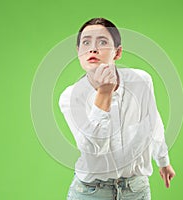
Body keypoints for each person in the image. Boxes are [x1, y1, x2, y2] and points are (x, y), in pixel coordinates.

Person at [59, 17, 176, 200]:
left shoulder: (141, 81)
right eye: (86, 42)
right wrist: (105, 94)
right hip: (91, 191)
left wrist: (163, 160)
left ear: (117, 52)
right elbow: (93, 147)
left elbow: (152, 122)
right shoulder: (70, 97)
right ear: (78, 52)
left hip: (136, 189)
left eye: (103, 42)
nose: (93, 48)